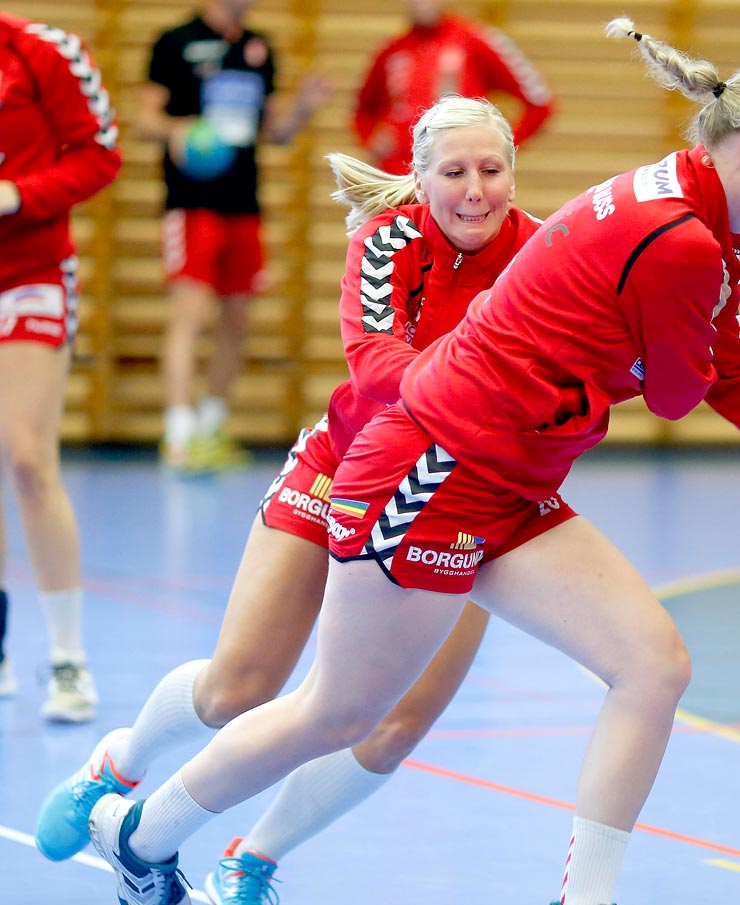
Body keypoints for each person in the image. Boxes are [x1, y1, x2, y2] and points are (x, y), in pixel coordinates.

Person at [80, 18, 740, 905]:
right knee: (337, 708)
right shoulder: (684, 241)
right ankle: (145, 834)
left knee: (653, 662)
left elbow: (715, 365)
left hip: (512, 480)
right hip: (431, 471)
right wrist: (657, 365)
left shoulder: (677, 200)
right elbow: (692, 388)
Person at [35, 95, 538, 905]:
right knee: (242, 685)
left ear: (513, 172)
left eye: (491, 170)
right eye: (453, 171)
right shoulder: (390, 243)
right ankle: (118, 764)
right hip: (348, 470)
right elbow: (380, 376)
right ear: (420, 178)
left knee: (393, 725)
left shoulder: (546, 255)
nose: (475, 191)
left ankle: (251, 863)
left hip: (477, 501)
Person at [136, 0, 331, 472]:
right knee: (190, 313)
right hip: (192, 202)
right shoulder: (175, 41)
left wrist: (303, 108)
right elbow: (145, 120)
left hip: (244, 202)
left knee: (237, 319)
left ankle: (211, 425)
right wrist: (177, 130)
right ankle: (178, 434)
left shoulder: (257, 47)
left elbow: (276, 131)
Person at [0, 13, 122, 722]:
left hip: (32, 272)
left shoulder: (42, 52)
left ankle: (69, 661)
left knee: (25, 456)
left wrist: (20, 195)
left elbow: (100, 155)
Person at [354, 0, 553, 174]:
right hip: (396, 177)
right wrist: (370, 139)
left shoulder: (476, 40)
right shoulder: (392, 50)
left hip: (455, 178)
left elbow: (539, 103)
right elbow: (362, 109)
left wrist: (499, 150)